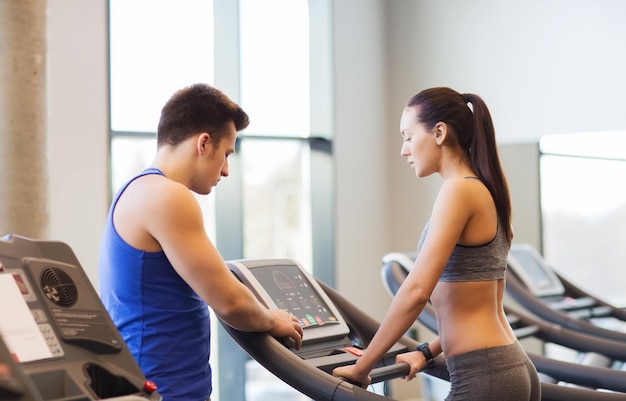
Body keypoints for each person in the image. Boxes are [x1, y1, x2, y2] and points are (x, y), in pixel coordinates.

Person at [98, 83, 303, 401]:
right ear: (204, 143)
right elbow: (229, 302)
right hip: (161, 390)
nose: (225, 170)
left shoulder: (137, 190)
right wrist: (270, 318)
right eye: (226, 154)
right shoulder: (167, 195)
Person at [333, 87, 540, 400]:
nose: (404, 150)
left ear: (439, 132)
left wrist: (364, 366)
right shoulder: (484, 189)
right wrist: (425, 353)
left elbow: (416, 292)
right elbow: (474, 306)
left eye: (408, 136)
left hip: (485, 375)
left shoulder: (458, 191)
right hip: (507, 366)